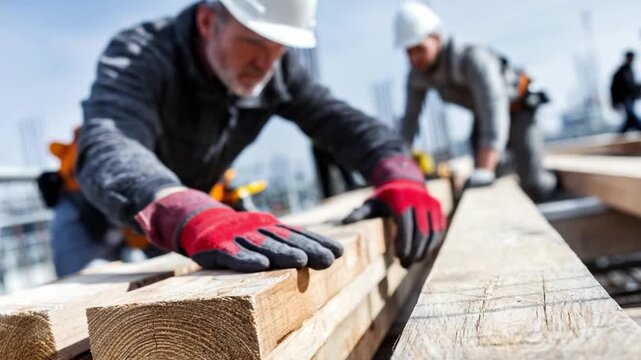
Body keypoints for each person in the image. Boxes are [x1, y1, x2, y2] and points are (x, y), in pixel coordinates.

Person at [55, 0, 446, 275]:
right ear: (208, 22)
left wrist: (399, 172)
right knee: (80, 332)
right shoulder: (142, 55)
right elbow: (109, 143)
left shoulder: (275, 72)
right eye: (255, 43)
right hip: (96, 216)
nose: (266, 64)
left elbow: (341, 121)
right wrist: (182, 209)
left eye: (278, 50)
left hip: (190, 217)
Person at [394, 1, 557, 200]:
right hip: (483, 117)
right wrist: (399, 163)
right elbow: (409, 123)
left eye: (419, 48)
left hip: (517, 108)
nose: (414, 58)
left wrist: (485, 168)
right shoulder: (417, 76)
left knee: (533, 183)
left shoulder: (471, 58)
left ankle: (552, 184)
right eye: (408, 52)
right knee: (487, 182)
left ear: (436, 38)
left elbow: (493, 107)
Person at [611, 50, 641, 133]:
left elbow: (632, 85)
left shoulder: (629, 70)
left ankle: (621, 133)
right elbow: (616, 87)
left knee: (630, 118)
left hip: (630, 98)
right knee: (631, 116)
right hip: (625, 98)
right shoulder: (622, 71)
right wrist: (615, 101)